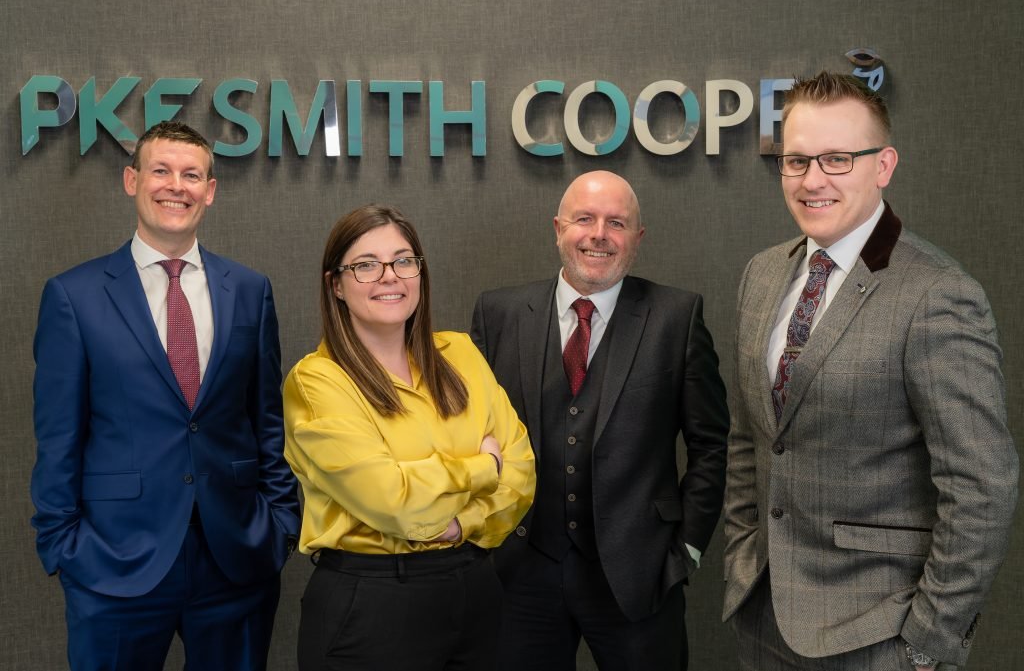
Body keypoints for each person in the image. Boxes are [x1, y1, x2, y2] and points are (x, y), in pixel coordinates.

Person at [723, 71, 1019, 671]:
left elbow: (983, 486)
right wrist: (742, 550)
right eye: (796, 160)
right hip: (765, 616)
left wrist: (927, 643)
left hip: (878, 635)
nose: (812, 180)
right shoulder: (761, 275)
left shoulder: (936, 294)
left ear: (883, 166)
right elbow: (749, 438)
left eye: (837, 159)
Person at [30, 121, 300, 670]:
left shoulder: (250, 290)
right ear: (132, 180)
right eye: (161, 170)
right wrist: (64, 546)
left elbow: (265, 421)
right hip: (114, 564)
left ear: (211, 190)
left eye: (191, 174)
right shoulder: (73, 296)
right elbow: (58, 436)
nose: (176, 185)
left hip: (235, 559)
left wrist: (278, 525)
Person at [471, 170, 729, 670]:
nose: (599, 234)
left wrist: (688, 549)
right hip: (521, 573)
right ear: (558, 228)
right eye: (584, 219)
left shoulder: (678, 317)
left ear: (637, 238)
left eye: (617, 222)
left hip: (640, 574)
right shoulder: (498, 313)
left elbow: (712, 444)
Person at [283, 204, 535, 671]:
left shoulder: (459, 352)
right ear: (335, 284)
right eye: (365, 265)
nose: (389, 277)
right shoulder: (318, 382)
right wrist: (484, 468)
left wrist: (462, 523)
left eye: (403, 260)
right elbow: (395, 502)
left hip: (475, 595)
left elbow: (521, 472)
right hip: (373, 607)